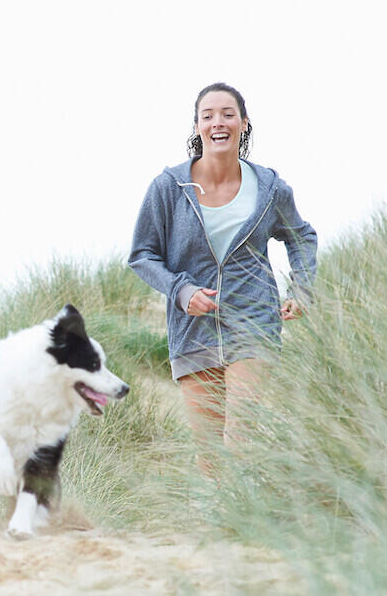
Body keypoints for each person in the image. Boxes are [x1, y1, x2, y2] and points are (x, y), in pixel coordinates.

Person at [128, 82, 317, 470]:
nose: (218, 122)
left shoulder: (269, 189)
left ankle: (243, 527)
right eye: (208, 115)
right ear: (197, 127)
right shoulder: (169, 188)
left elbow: (301, 235)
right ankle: (215, 526)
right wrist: (182, 291)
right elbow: (142, 255)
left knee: (240, 437)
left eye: (228, 114)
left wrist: (302, 288)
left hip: (253, 321)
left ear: (244, 124)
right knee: (210, 452)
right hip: (192, 329)